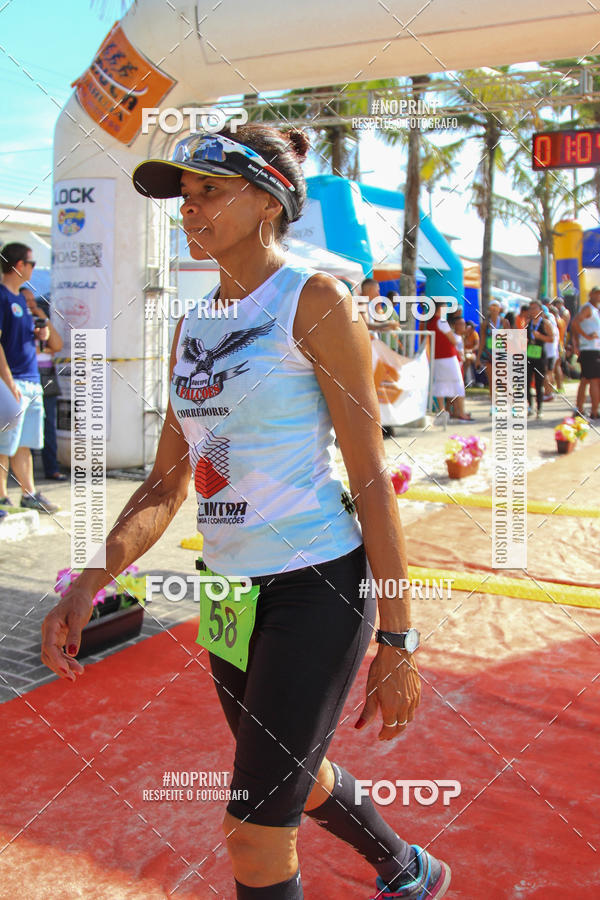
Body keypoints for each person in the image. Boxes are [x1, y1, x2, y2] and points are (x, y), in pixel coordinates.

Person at [40, 125, 451, 900]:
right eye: (184, 198)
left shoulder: (315, 302)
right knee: (298, 771)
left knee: (254, 837)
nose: (189, 212)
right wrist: (86, 581)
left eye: (208, 192)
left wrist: (399, 637)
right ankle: (408, 866)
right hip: (227, 590)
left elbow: (369, 478)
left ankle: (400, 867)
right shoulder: (195, 326)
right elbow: (167, 484)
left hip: (314, 583)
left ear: (268, 200)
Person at [0, 242, 59, 512]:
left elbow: (17, 339)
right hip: (12, 382)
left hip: (31, 379)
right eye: (32, 263)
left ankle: (29, 494)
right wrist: (8, 382)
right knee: (4, 444)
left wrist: (40, 335)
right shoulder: (2, 296)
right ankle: (1, 497)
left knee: (25, 444)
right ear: (19, 265)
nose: (35, 268)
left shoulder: (21, 300)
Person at [20, 287, 66, 481]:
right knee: (21, 426)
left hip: (46, 376)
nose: (31, 304)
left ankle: (51, 468)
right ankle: (22, 470)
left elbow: (56, 345)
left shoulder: (40, 322)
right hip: (24, 376)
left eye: (33, 300)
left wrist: (43, 318)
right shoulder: (16, 322)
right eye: (26, 300)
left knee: (48, 424)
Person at [425, 301, 470, 421]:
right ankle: (461, 412)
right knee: (458, 383)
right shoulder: (442, 322)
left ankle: (442, 410)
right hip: (449, 357)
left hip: (437, 357)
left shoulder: (429, 323)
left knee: (440, 383)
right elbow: (453, 340)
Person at [571, 286, 600, 420]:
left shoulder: (595, 309)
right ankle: (594, 411)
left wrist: (578, 341)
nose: (599, 296)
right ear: (591, 294)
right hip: (590, 349)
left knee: (585, 380)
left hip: (592, 349)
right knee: (594, 380)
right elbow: (575, 322)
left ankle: (580, 409)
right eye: (597, 294)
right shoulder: (588, 308)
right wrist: (586, 336)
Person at [526, 299, 553, 419]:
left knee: (538, 382)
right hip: (529, 355)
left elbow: (551, 339)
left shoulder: (545, 323)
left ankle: (539, 408)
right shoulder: (528, 323)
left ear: (540, 310)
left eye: (535, 308)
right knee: (526, 382)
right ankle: (530, 406)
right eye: (531, 309)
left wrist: (540, 336)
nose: (532, 311)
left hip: (540, 355)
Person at [474, 299, 503, 406]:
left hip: (501, 353)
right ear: (489, 309)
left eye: (496, 306)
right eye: (492, 306)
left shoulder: (504, 322)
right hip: (488, 354)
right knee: (492, 380)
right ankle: (494, 403)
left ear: (499, 309)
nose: (494, 309)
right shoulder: (485, 324)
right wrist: (478, 358)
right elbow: (482, 341)